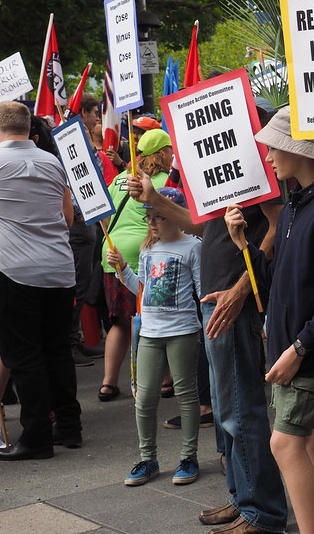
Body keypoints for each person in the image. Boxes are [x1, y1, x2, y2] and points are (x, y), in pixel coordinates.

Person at [128, 109, 289, 534]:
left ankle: (262, 512)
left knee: (241, 408)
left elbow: (277, 226)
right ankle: (242, 499)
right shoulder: (223, 166)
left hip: (231, 300)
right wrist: (153, 198)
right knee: (225, 411)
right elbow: (199, 225)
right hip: (215, 299)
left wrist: (240, 290)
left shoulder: (257, 161)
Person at [224, 106, 314, 534]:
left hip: (304, 349)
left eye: (273, 146)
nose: (267, 156)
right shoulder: (294, 207)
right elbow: (274, 281)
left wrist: (298, 349)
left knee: (285, 444)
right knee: (313, 442)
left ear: (297, 148)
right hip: (296, 345)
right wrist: (244, 244)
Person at [0, 101, 81, 460]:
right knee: (58, 350)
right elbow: (68, 218)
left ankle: (36, 437)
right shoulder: (53, 162)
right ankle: (69, 426)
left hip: (16, 270)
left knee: (24, 355)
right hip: (59, 270)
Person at [106, 187, 203, 487]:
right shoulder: (148, 248)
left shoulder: (193, 247)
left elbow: (201, 291)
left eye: (159, 216)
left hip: (183, 331)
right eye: (149, 216)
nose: (152, 222)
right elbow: (143, 290)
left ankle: (189, 456)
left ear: (176, 216)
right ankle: (148, 458)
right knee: (144, 398)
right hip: (149, 332)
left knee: (187, 396)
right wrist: (122, 268)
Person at [98, 128, 172, 402]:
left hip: (113, 252)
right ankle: (165, 381)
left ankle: (108, 383)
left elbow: (102, 216)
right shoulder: (167, 180)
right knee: (155, 319)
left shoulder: (120, 178)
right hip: (148, 252)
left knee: (119, 322)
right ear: (164, 153)